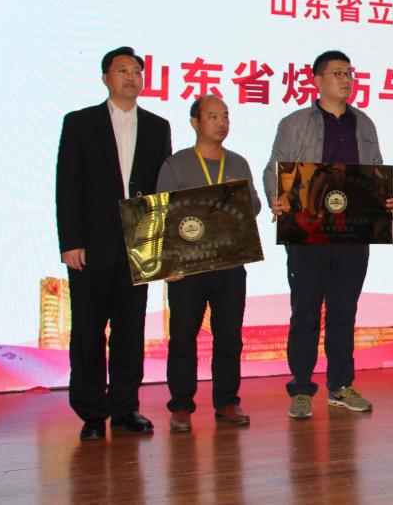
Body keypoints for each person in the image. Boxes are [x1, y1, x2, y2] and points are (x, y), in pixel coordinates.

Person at [263, 50, 393, 418]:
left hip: (353, 232)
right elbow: (274, 170)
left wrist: (384, 198)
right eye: (338, 73)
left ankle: (340, 385)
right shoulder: (295, 123)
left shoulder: (364, 124)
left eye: (349, 73)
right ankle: (301, 389)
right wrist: (276, 197)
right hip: (307, 232)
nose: (346, 79)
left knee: (343, 312)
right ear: (317, 80)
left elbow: (374, 170)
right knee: (305, 311)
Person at [56, 47, 172, 440]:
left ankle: (125, 408)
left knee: (130, 331)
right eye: (122, 70)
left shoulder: (157, 126)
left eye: (137, 70)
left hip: (139, 247)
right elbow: (67, 187)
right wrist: (71, 241)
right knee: (88, 332)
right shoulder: (80, 122)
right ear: (105, 77)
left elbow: (162, 191)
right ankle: (92, 413)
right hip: (91, 247)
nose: (131, 77)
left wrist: (161, 245)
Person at [156, 96, 262, 432]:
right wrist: (167, 265)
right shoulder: (176, 164)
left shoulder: (238, 163)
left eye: (225, 116)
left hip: (230, 264)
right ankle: (181, 405)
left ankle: (227, 401)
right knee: (183, 337)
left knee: (229, 337)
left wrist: (239, 199)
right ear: (195, 122)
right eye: (213, 116)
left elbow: (255, 206)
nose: (221, 123)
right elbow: (161, 215)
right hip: (187, 268)